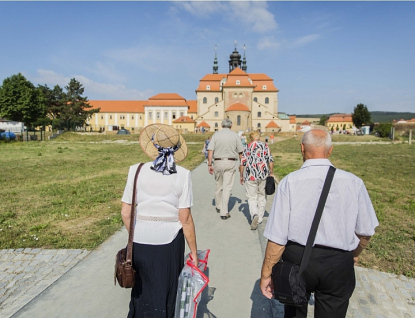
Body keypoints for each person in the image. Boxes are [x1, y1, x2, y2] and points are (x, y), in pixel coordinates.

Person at [260, 129, 378, 318]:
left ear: (302, 148)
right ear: (330, 150)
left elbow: (277, 237)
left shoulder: (289, 182)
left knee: (294, 313)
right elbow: (365, 232)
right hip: (337, 262)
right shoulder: (354, 183)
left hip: (297, 260)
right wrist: (354, 254)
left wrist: (266, 273)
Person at [121, 124, 198, 318]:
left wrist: (134, 235)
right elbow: (185, 219)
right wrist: (194, 252)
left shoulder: (136, 170)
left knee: (141, 291)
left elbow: (126, 212)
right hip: (169, 242)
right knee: (166, 291)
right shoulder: (183, 174)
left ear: (154, 146)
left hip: (139, 240)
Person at [207, 118, 244, 220]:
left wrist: (209, 164)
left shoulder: (216, 135)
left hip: (218, 161)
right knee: (227, 187)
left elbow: (210, 150)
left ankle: (218, 206)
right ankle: (224, 212)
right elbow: (241, 152)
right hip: (230, 161)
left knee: (219, 185)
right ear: (231, 126)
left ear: (221, 125)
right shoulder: (235, 135)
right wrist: (242, 164)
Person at [240, 131, 274, 230]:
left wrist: (241, 176)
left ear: (250, 138)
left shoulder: (247, 147)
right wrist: (271, 172)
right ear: (258, 137)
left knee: (252, 197)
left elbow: (242, 163)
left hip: (250, 176)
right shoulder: (265, 146)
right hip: (263, 175)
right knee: (262, 196)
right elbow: (270, 160)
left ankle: (254, 214)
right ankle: (259, 217)